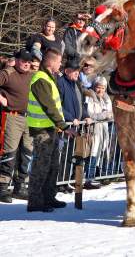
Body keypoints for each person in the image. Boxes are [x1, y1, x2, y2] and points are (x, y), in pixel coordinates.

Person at [26, 47, 76, 212]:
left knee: (52, 165)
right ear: (52, 61)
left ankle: (48, 196)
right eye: (59, 61)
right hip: (42, 130)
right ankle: (35, 201)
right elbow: (49, 106)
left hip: (51, 129)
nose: (60, 64)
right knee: (41, 166)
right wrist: (64, 126)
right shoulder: (40, 79)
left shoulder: (49, 78)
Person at [0, 49, 34, 203]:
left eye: (29, 61)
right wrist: (1, 98)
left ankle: (20, 186)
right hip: (12, 116)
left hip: (29, 118)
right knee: (9, 152)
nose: (26, 63)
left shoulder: (32, 75)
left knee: (27, 152)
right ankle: (2, 187)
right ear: (17, 60)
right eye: (24, 60)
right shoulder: (8, 73)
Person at [57, 59, 92, 187]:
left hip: (76, 127)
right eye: (74, 71)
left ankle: (66, 182)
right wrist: (71, 118)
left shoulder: (77, 84)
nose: (77, 73)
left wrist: (86, 116)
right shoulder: (60, 83)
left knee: (71, 155)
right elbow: (58, 105)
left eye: (78, 71)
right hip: (65, 127)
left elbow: (81, 104)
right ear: (67, 71)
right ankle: (60, 182)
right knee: (63, 156)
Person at [84, 76, 113, 189]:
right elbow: (90, 114)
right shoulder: (90, 97)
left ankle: (95, 176)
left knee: (100, 152)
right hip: (93, 130)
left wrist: (105, 116)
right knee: (92, 152)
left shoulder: (106, 99)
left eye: (103, 88)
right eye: (98, 87)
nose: (100, 90)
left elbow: (110, 114)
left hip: (103, 129)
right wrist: (104, 115)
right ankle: (88, 178)